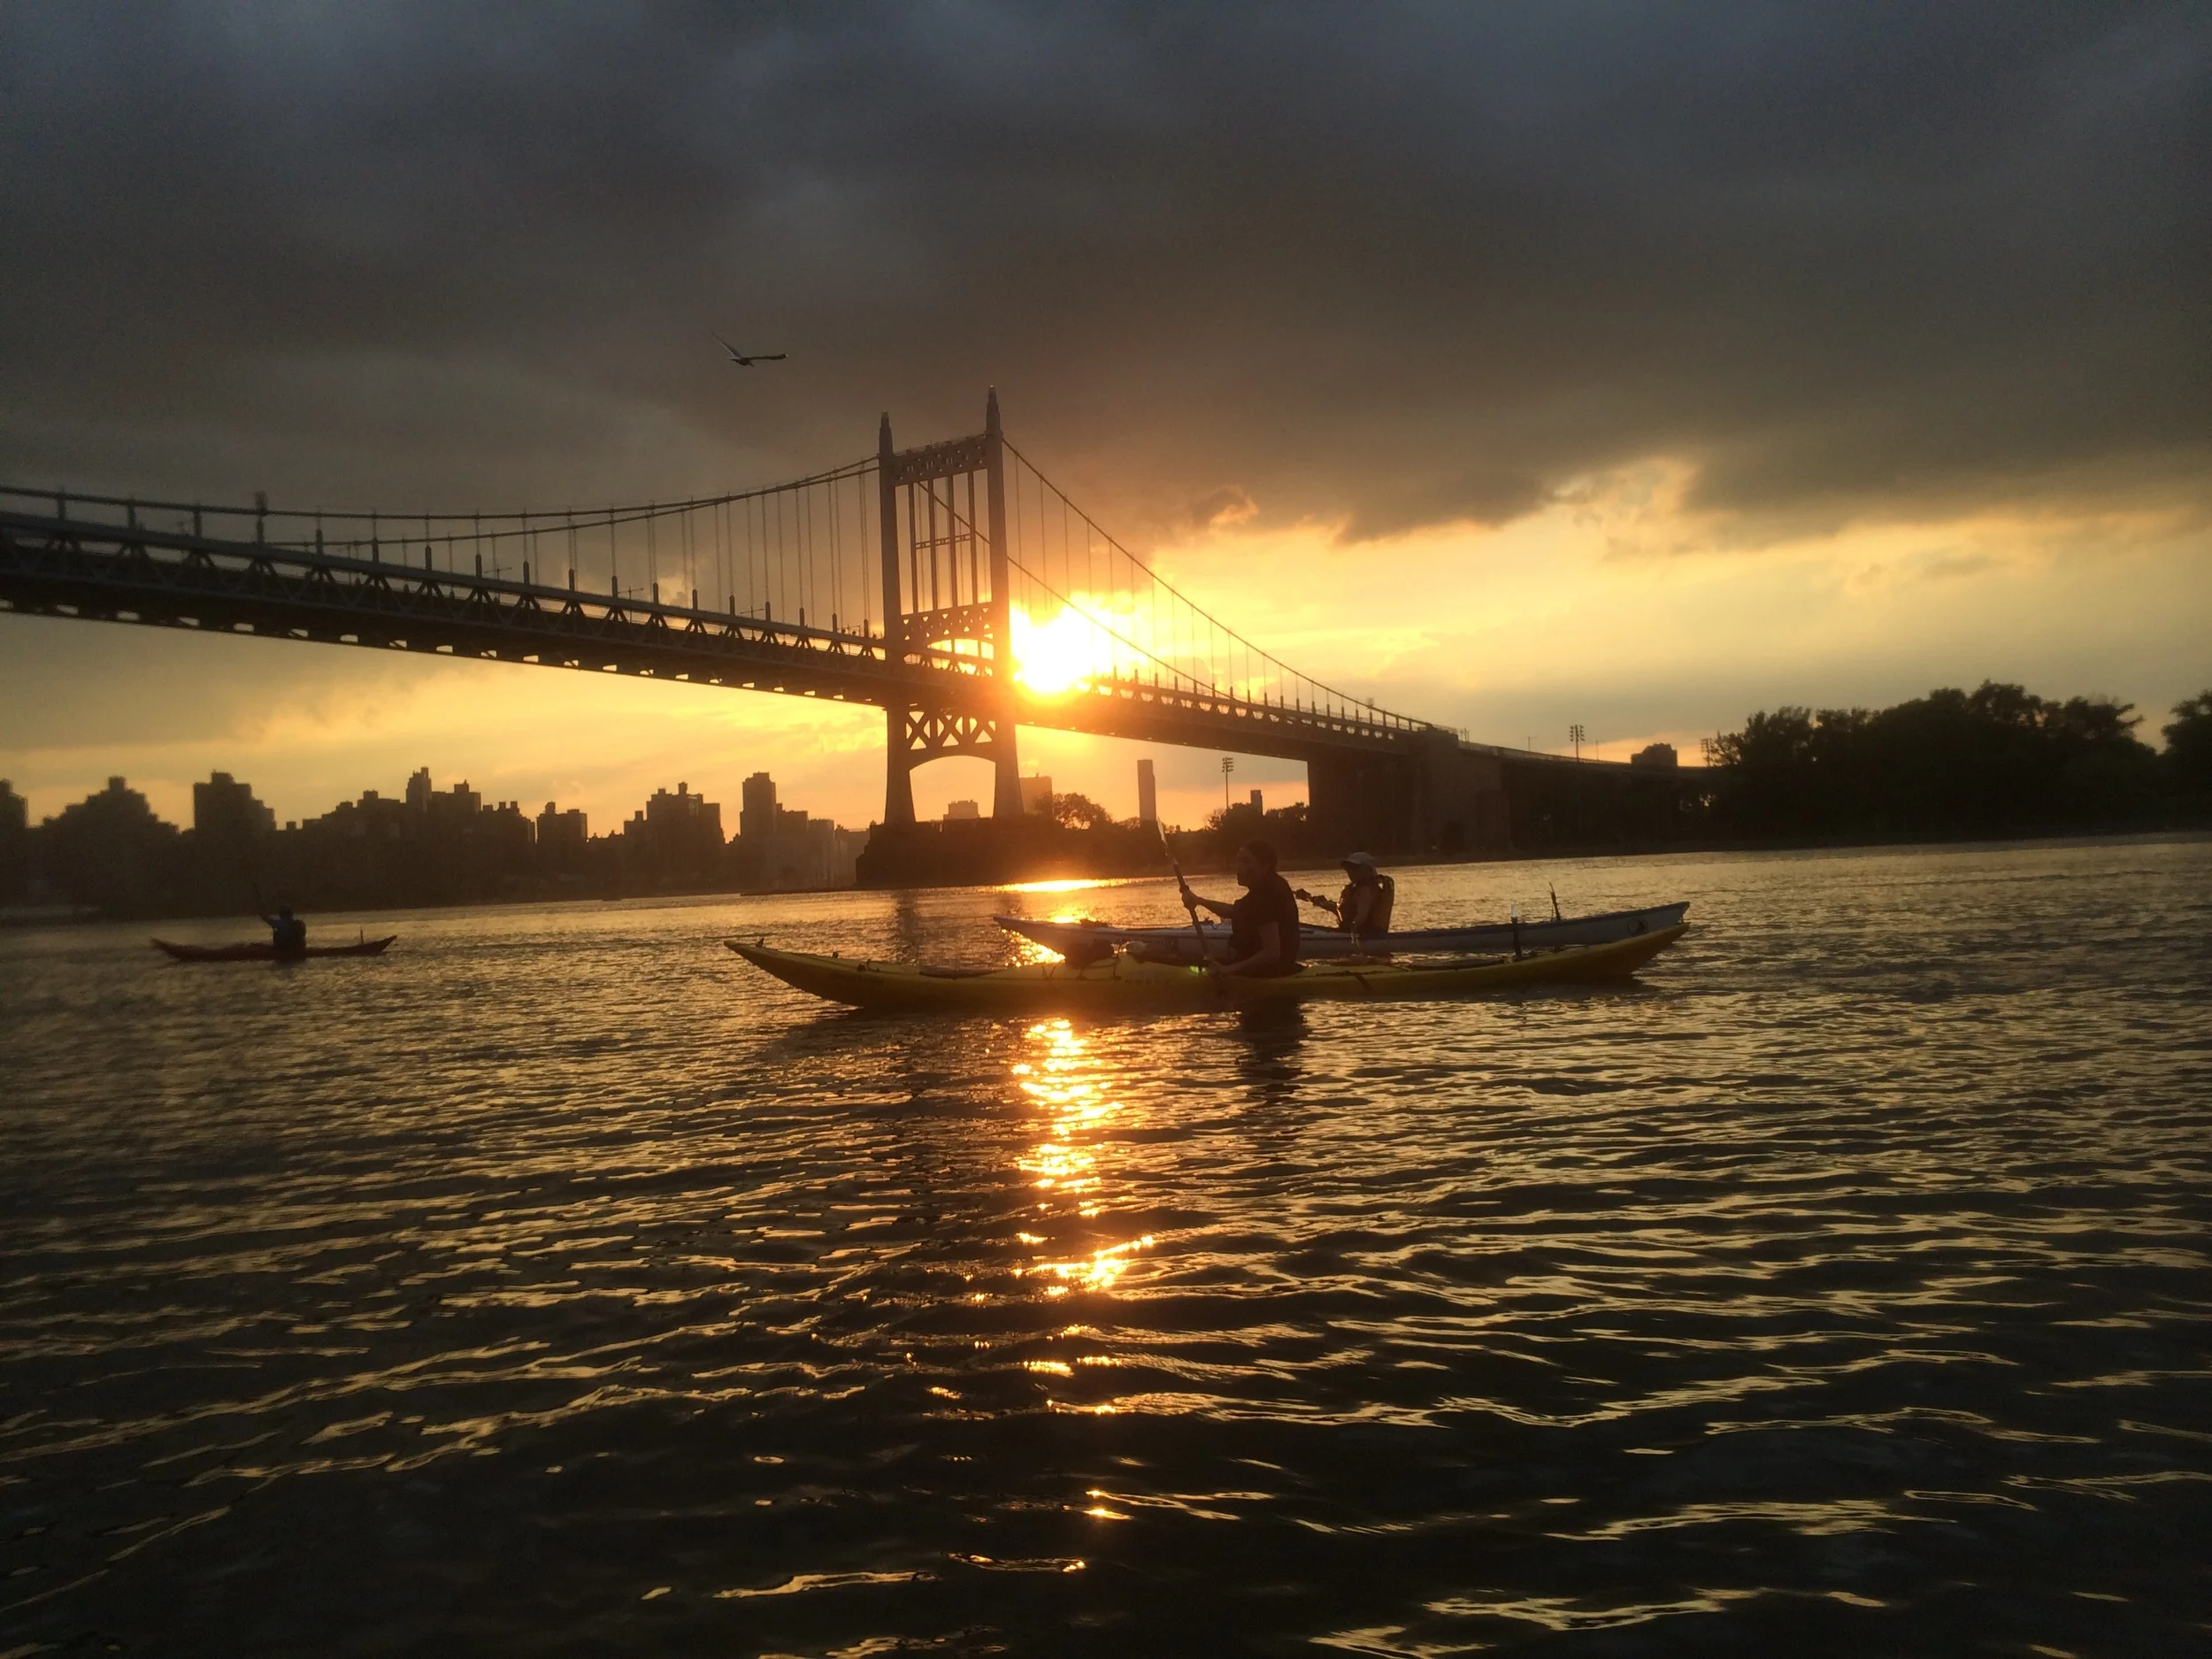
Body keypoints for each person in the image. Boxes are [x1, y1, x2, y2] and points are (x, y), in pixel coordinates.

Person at [1179, 839, 1302, 978]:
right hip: (1270, 967)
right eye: (1238, 861)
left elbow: (1272, 954)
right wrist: (1199, 901)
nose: (1238, 867)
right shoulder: (1265, 887)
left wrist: (1229, 970)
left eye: (1246, 862)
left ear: (1264, 866)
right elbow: (1234, 911)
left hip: (1272, 972)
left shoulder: (1267, 895)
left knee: (1191, 967)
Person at [1296, 852, 1395, 938]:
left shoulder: (1367, 891)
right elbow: (1340, 909)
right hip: (1349, 933)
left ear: (1367, 869)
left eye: (1354, 868)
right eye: (1349, 868)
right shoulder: (1353, 889)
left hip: (1366, 936)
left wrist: (1353, 926)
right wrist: (1312, 899)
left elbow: (1361, 917)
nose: (1350, 871)